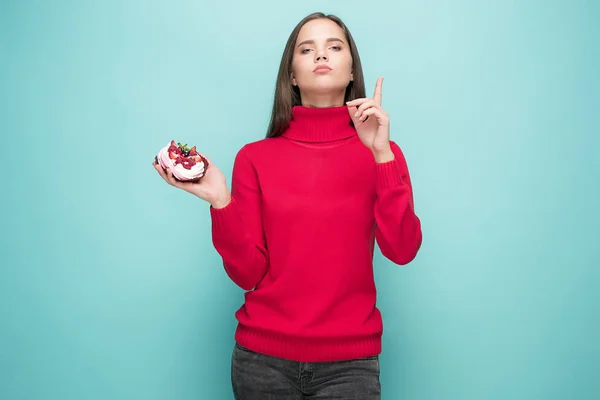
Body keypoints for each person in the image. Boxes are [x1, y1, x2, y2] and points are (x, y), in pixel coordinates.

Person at [153, 11, 422, 400]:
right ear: (292, 75)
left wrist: (381, 155)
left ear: (351, 71)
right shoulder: (254, 158)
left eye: (334, 46)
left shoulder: (383, 152)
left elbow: (402, 250)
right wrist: (220, 200)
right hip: (262, 364)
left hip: (351, 367)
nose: (320, 55)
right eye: (306, 49)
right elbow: (247, 274)